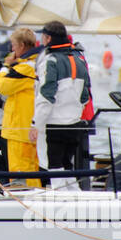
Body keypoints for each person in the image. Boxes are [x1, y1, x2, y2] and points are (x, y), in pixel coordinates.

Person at [30, 21, 92, 190]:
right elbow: (85, 95)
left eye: (42, 36)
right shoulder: (79, 58)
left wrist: (36, 124)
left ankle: (60, 201)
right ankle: (76, 196)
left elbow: (46, 96)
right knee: (67, 164)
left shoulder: (50, 61)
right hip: (74, 122)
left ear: (48, 38)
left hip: (53, 123)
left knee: (54, 165)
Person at [0, 27, 41, 187]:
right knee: (30, 167)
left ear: (21, 46)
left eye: (13, 45)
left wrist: (6, 66)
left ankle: (27, 198)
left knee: (21, 169)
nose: (12, 49)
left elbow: (2, 86)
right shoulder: (34, 64)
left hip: (20, 128)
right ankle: (32, 195)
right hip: (24, 126)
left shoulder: (25, 68)